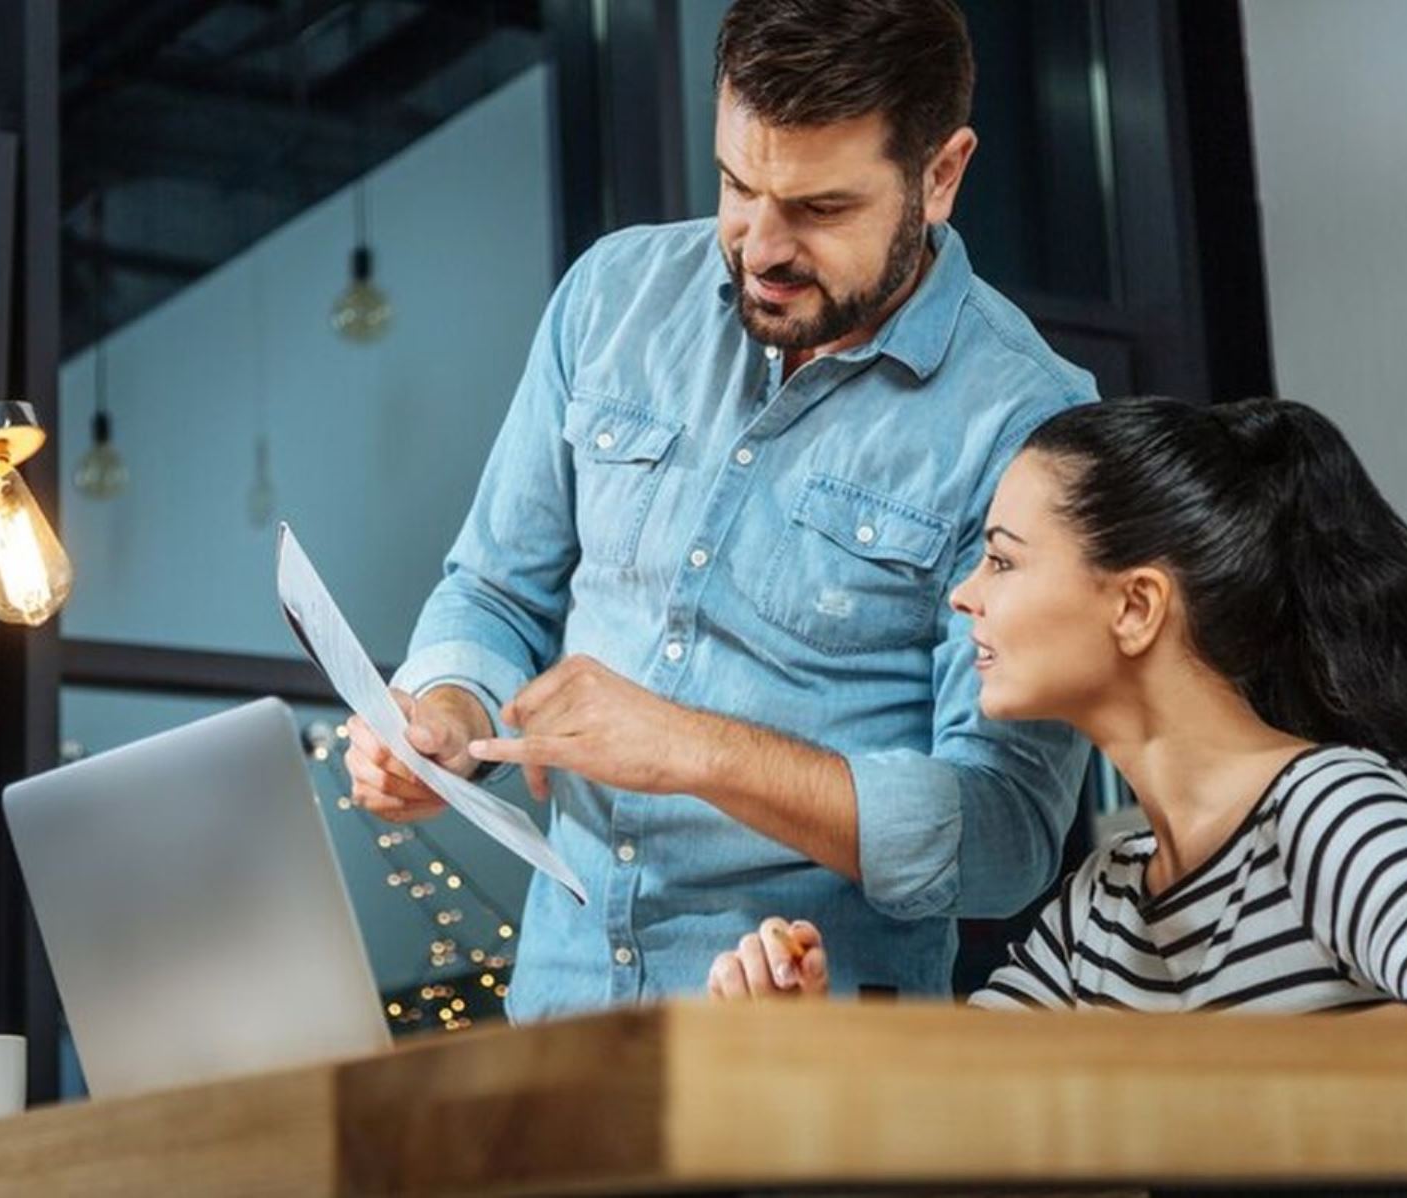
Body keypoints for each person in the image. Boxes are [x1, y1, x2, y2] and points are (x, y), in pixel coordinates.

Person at [346, 0, 1099, 1020]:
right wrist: (446, 712)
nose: (760, 246)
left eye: (822, 208)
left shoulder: (1031, 424)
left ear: (942, 174)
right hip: (558, 1009)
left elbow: (1008, 832)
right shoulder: (610, 297)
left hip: (816, 1061)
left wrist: (697, 749)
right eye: (739, 185)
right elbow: (493, 591)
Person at [710, 397, 1407, 1017]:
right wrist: (798, 1036)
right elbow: (952, 1117)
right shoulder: (1107, 900)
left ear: (1135, 606)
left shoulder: (1330, 806)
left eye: (1002, 560)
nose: (964, 595)